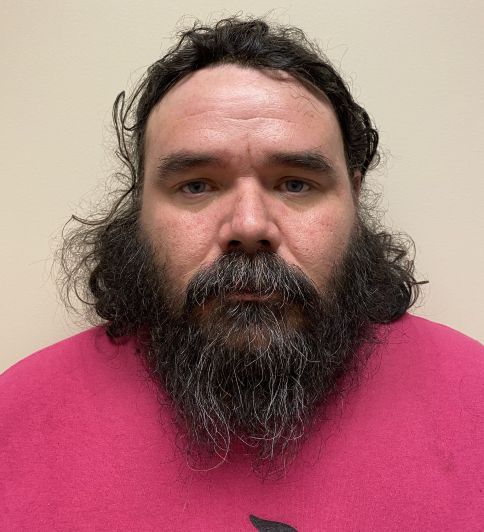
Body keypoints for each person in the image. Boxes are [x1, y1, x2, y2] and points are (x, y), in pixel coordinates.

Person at [1, 17, 482, 531]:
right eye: (196, 185)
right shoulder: (16, 420)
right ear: (140, 209)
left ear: (354, 199)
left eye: (296, 184)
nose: (250, 227)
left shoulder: (473, 400)